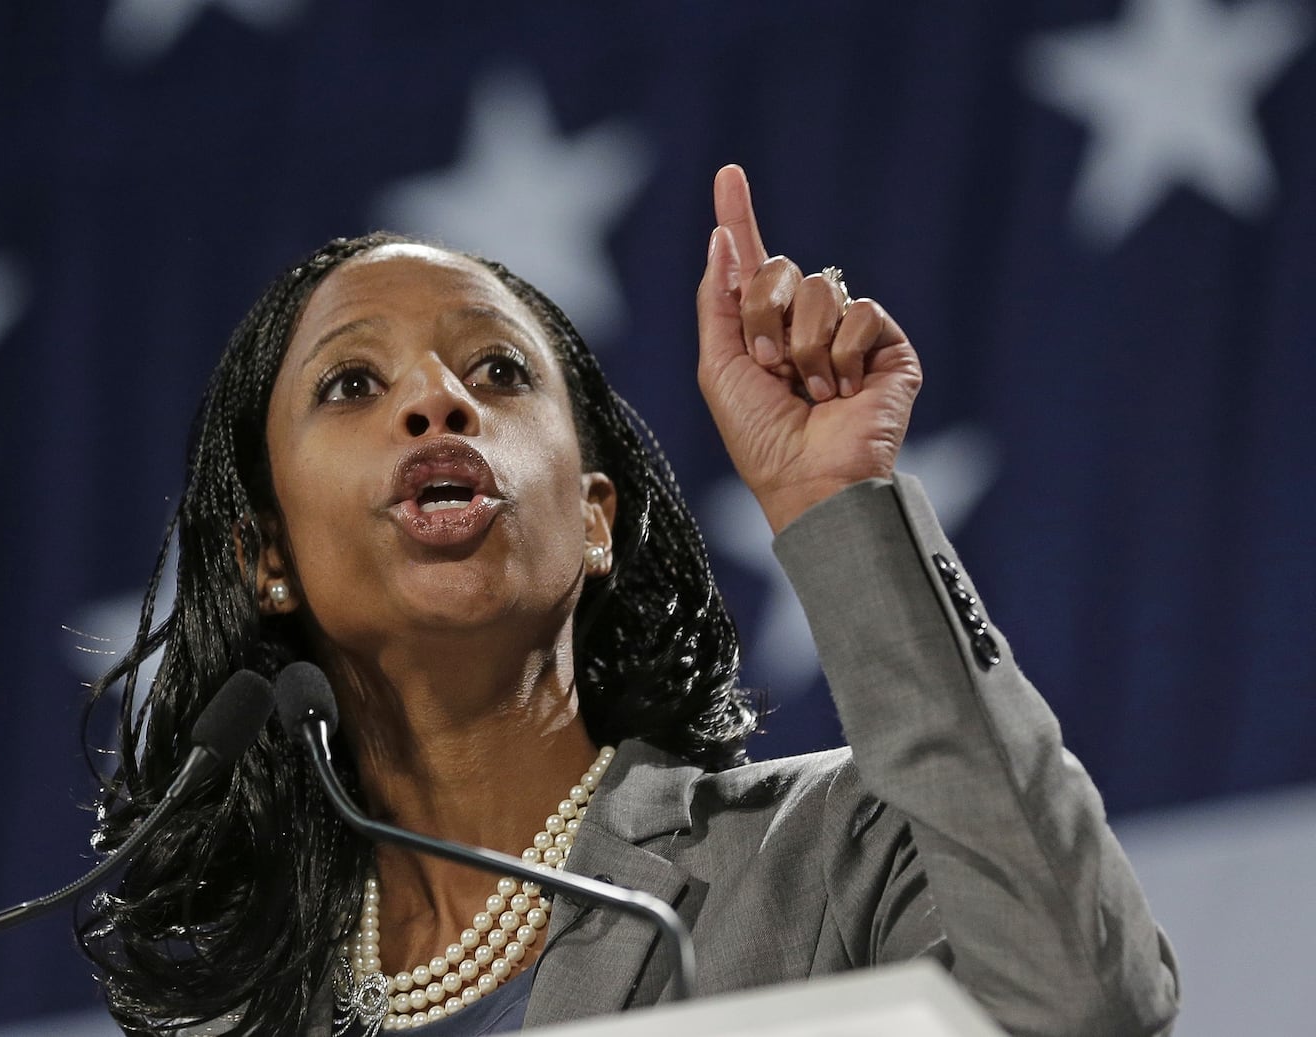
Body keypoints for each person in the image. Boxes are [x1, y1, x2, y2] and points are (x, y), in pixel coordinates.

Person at [79, 165, 1181, 1037]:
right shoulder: (236, 1021)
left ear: (596, 517)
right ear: (266, 556)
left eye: (498, 373)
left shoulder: (827, 852)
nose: (436, 400)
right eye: (352, 383)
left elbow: (1080, 1007)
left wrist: (836, 498)